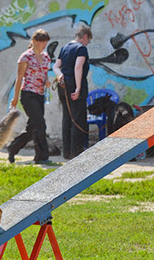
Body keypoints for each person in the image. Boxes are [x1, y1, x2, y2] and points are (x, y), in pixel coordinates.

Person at [6, 29, 52, 165]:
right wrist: (15, 98)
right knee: (40, 124)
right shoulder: (25, 57)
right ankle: (42, 156)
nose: (44, 44)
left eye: (45, 42)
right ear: (34, 41)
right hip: (28, 94)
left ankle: (13, 147)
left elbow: (44, 75)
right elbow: (19, 78)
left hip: (40, 94)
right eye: (41, 41)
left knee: (32, 127)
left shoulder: (46, 57)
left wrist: (47, 81)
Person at [52, 25, 92, 160]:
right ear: (85, 37)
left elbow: (56, 66)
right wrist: (78, 88)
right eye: (88, 40)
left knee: (67, 118)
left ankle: (67, 153)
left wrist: (60, 75)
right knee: (78, 118)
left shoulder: (65, 48)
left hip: (62, 86)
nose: (87, 43)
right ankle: (76, 152)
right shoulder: (81, 48)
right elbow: (78, 67)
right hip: (74, 85)